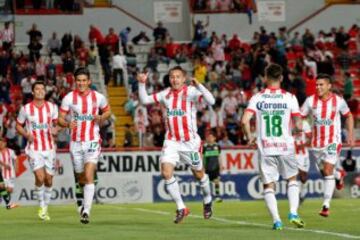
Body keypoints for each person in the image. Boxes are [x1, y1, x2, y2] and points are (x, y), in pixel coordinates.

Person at [137, 66, 215, 224]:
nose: (175, 79)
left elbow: (212, 101)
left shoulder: (191, 92)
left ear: (184, 78)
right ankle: (181, 207)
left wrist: (199, 85)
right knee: (166, 173)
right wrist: (141, 83)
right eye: (172, 76)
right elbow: (145, 100)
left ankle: (207, 199)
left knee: (199, 175)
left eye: (178, 76)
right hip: (172, 141)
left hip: (190, 143)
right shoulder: (165, 94)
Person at [241, 64, 305, 230]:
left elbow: (244, 120)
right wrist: (298, 127)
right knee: (292, 179)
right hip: (286, 147)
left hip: (266, 148)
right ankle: (293, 212)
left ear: (265, 78)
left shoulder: (258, 98)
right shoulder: (290, 98)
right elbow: (298, 123)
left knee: (269, 185)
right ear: (281, 78)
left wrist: (249, 137)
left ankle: (277, 221)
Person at [58, 67, 111, 224]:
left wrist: (101, 116)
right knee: (80, 177)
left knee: (88, 175)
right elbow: (60, 118)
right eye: (78, 81)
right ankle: (80, 199)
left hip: (93, 141)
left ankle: (86, 211)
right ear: (75, 82)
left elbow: (108, 112)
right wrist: (67, 123)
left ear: (89, 81)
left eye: (84, 81)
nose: (81, 83)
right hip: (75, 143)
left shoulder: (98, 97)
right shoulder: (68, 98)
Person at [300, 73, 354, 217]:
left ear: (329, 86)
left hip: (333, 141)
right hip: (316, 144)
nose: (318, 87)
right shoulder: (310, 101)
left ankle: (326, 206)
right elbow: (300, 117)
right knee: (324, 172)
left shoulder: (338, 101)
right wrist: (304, 128)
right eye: (317, 85)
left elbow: (348, 115)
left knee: (328, 170)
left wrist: (350, 135)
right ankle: (339, 174)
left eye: (321, 84)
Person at [16, 81, 59, 221]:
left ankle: (45, 208)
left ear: (45, 92)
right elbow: (18, 126)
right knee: (40, 177)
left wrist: (56, 129)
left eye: (42, 89)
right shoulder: (26, 109)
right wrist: (26, 134)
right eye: (37, 89)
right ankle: (41, 207)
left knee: (49, 180)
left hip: (49, 148)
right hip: (34, 149)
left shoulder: (52, 107)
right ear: (33, 92)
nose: (40, 91)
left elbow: (57, 125)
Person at [294, 119, 312, 204]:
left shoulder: (305, 124)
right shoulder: (287, 121)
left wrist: (303, 145)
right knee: (293, 175)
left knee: (303, 177)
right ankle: (295, 195)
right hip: (292, 154)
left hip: (303, 155)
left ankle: (302, 193)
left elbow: (310, 139)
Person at [203, 130, 223, 202]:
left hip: (216, 167)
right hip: (208, 167)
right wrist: (203, 167)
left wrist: (221, 165)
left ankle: (217, 196)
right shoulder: (205, 147)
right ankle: (208, 196)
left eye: (211, 137)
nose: (210, 139)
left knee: (217, 181)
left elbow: (219, 156)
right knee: (207, 182)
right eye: (209, 137)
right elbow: (203, 157)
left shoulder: (217, 146)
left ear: (214, 138)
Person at [0, 137, 19, 209]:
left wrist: (17, 168)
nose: (0, 144)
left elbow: (16, 159)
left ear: (5, 143)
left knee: (10, 190)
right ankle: (8, 205)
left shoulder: (10, 151)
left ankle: (7, 203)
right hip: (2, 174)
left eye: (2, 142)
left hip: (11, 174)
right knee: (2, 186)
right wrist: (4, 165)